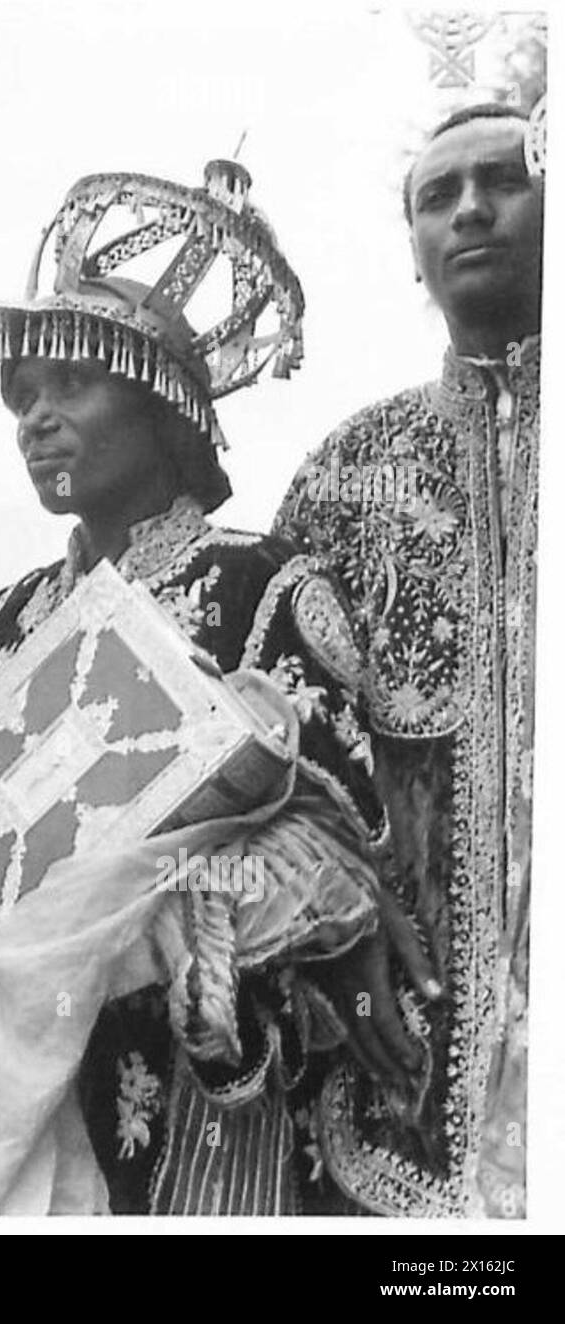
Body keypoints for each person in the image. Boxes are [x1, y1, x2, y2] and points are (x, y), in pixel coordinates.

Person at [0, 164, 394, 1216]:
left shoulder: (262, 585)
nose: (35, 420)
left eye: (71, 387)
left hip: (160, 1057)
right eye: (21, 398)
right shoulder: (9, 617)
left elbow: (337, 831)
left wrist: (154, 928)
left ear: (162, 407)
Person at [273, 103, 541, 1219]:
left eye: (502, 180)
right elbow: (274, 760)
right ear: (411, 249)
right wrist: (323, 916)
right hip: (403, 1093)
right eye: (439, 196)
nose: (470, 208)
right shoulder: (345, 475)